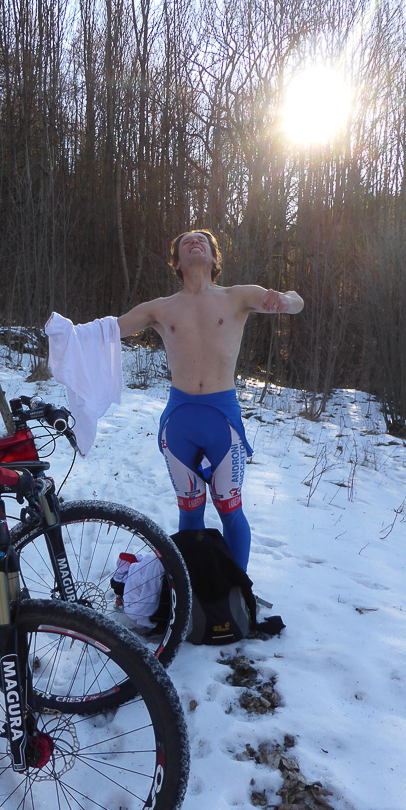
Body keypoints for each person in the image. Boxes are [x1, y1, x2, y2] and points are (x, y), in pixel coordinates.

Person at [116, 229, 304, 571]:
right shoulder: (161, 308)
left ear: (214, 258)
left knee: (231, 510)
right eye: (186, 240)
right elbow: (112, 329)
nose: (194, 241)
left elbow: (296, 300)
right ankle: (193, 592)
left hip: (222, 419)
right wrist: (70, 335)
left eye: (202, 239)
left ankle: (239, 591)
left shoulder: (237, 296)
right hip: (180, 420)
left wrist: (285, 301)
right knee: (189, 512)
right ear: (177, 263)